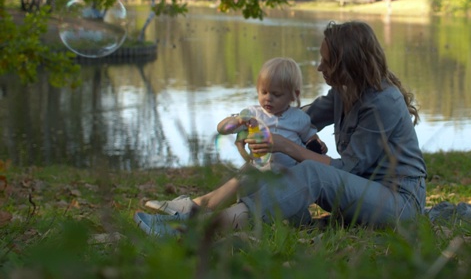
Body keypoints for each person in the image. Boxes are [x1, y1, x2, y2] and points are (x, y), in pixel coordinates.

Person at [135, 20, 426, 236]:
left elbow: (347, 170)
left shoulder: (383, 103)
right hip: (362, 193)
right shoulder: (344, 90)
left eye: (326, 61)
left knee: (311, 171)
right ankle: (198, 209)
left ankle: (195, 231)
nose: (318, 67)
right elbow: (300, 116)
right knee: (272, 166)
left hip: (399, 201)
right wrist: (256, 124)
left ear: (347, 64)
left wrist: (286, 145)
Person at [143, 57, 326, 217]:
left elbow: (311, 140)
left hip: (288, 175)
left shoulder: (300, 119)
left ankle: (203, 209)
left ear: (294, 95)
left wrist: (318, 145)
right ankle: (196, 206)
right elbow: (222, 129)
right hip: (259, 172)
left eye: (276, 94)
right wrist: (237, 120)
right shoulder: (254, 114)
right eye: (264, 92)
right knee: (245, 176)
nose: (268, 98)